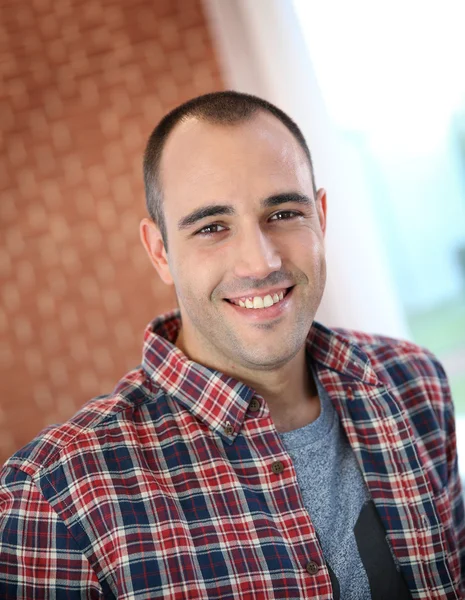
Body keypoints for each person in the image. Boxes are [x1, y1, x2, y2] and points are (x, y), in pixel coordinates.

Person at [0, 91, 463, 600]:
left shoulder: (415, 383)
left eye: (284, 213)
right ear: (160, 252)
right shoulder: (53, 497)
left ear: (321, 217)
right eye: (212, 227)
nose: (259, 262)